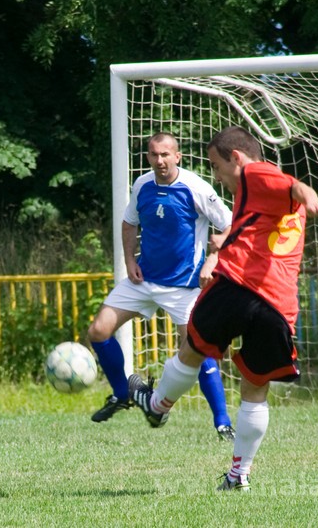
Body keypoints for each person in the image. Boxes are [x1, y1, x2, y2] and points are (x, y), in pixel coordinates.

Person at [128, 125, 318, 492]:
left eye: (215, 165)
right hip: (279, 305)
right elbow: (277, 207)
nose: (217, 175)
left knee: (192, 349)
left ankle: (158, 405)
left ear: (237, 158)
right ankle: (238, 476)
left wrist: (310, 197)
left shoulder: (255, 173)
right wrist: (223, 242)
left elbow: (294, 187)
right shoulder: (270, 197)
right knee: (255, 387)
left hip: (239, 286)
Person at [86, 132, 236, 441]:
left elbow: (232, 226)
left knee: (199, 347)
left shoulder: (196, 188)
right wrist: (129, 261)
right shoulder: (142, 185)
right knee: (99, 331)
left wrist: (212, 262)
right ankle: (122, 394)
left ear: (177, 157)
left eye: (165, 154)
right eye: (154, 155)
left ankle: (222, 422)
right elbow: (129, 223)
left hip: (185, 287)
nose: (160, 160)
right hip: (144, 280)